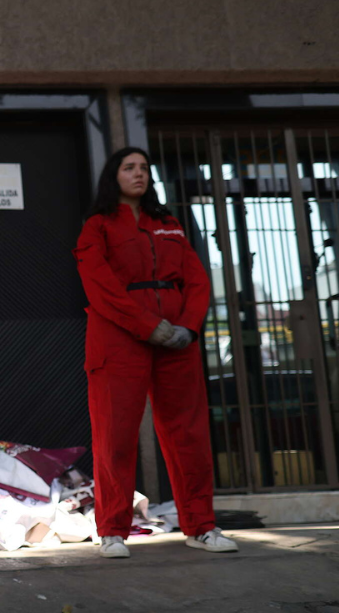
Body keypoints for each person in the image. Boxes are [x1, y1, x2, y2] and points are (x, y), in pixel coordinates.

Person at [74, 148, 239, 559]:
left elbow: (197, 280)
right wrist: (149, 326)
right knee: (115, 436)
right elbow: (101, 287)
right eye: (129, 167)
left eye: (145, 168)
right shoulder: (97, 226)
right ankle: (112, 530)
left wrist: (188, 326)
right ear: (113, 176)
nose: (139, 174)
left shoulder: (168, 225)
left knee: (190, 435)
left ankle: (200, 526)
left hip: (176, 343)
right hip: (118, 339)